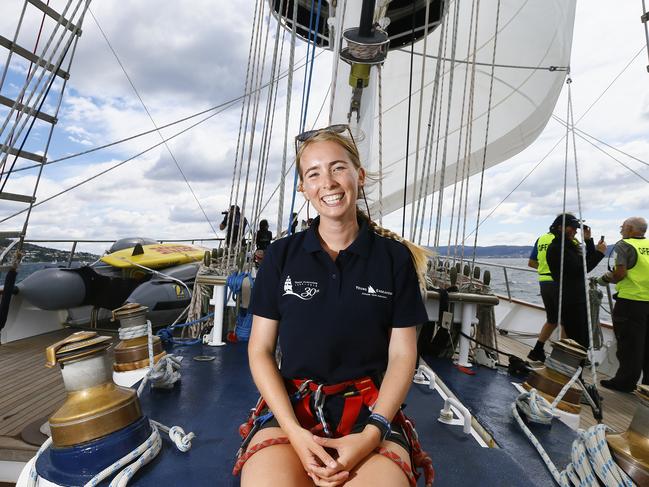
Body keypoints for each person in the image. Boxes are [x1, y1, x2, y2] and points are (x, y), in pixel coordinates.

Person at [236, 125, 432, 487]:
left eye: (338, 168)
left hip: (371, 415)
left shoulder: (393, 259)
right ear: (303, 188)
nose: (328, 181)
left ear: (358, 176)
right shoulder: (281, 256)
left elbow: (403, 356)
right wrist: (294, 433)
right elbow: (260, 349)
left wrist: (372, 435)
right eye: (313, 173)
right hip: (292, 408)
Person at [598, 217, 649, 393]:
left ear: (629, 228)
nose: (621, 230)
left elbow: (620, 273)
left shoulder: (624, 245)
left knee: (629, 345)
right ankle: (647, 386)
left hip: (631, 302)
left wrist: (604, 279)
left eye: (622, 227)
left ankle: (625, 383)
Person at [546, 213, 606, 348]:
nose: (575, 231)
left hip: (577, 297)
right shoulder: (557, 248)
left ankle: (574, 365)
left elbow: (585, 263)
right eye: (571, 228)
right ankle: (575, 365)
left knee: (581, 335)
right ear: (560, 228)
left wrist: (588, 241)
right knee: (579, 338)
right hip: (570, 299)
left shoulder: (568, 247)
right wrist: (600, 254)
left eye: (576, 228)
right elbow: (580, 269)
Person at [527, 223, 561, 362]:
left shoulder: (541, 239)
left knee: (552, 319)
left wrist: (545, 269)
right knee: (566, 321)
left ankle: (537, 350)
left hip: (544, 282)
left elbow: (531, 262)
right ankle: (561, 358)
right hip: (559, 282)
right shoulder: (565, 239)